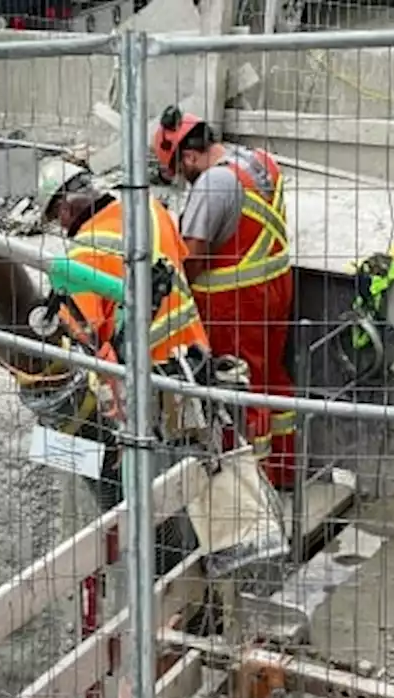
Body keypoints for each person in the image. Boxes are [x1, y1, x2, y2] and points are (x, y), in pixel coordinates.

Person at [150, 106, 297, 490]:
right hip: (276, 287)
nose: (184, 181)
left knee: (236, 390)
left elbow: (191, 258)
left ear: (189, 155)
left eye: (181, 171)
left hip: (235, 303)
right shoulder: (257, 161)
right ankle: (282, 472)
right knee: (271, 378)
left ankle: (248, 486)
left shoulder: (213, 185)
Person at [35, 156, 212, 368]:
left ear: (65, 209)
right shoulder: (150, 207)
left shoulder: (81, 256)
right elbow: (181, 259)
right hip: (195, 348)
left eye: (56, 217)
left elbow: (82, 333)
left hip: (152, 370)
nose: (62, 226)